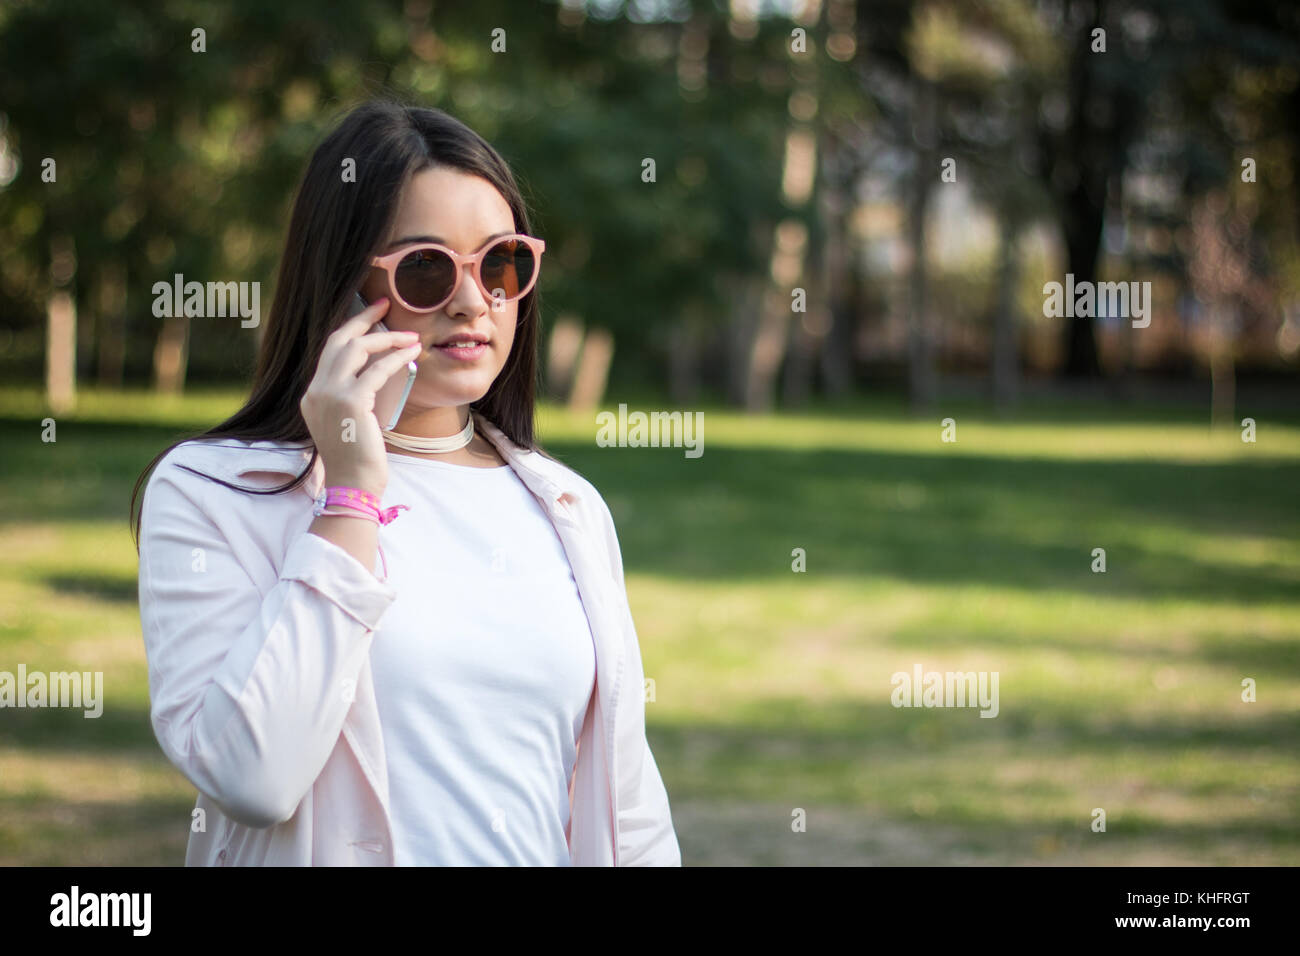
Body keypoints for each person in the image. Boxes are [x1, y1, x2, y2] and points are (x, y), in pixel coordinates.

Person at [130, 99, 681, 866]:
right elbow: (252, 776)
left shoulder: (567, 508)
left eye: (501, 263)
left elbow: (630, 811)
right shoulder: (211, 493)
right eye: (426, 268)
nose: (472, 299)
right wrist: (351, 492)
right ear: (343, 285)